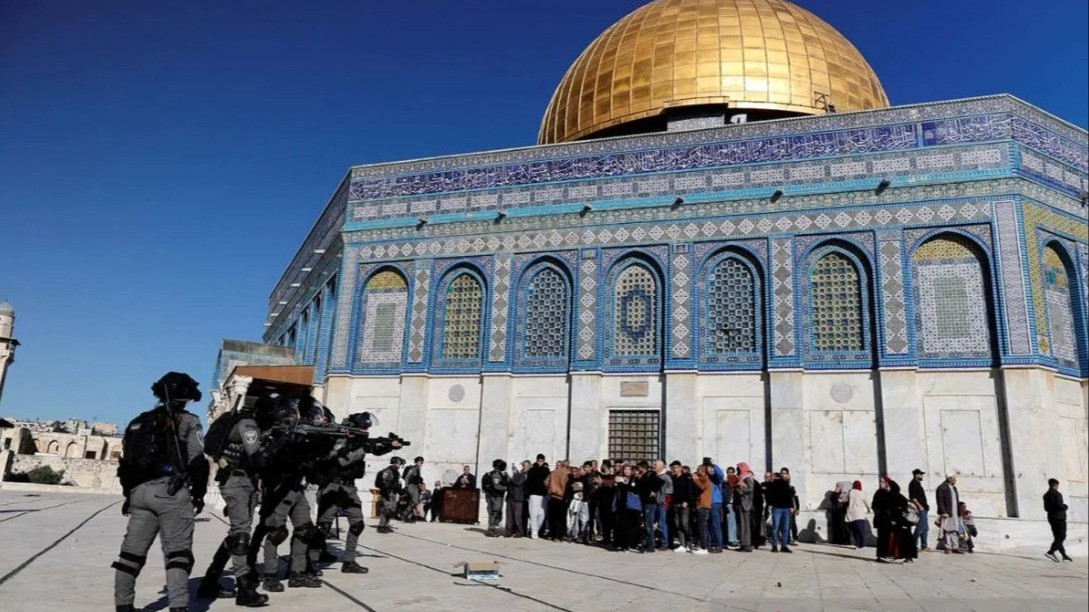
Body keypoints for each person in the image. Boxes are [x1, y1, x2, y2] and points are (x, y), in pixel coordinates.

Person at [112, 372, 209, 612]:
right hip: (170, 491)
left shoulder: (140, 421)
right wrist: (198, 493)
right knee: (177, 553)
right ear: (187, 397)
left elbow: (127, 463)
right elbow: (197, 460)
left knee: (130, 555)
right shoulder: (189, 421)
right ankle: (178, 606)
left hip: (139, 492)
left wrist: (128, 495)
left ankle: (124, 605)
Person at [197, 390, 271, 606]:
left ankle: (210, 579)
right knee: (241, 536)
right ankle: (245, 589)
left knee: (236, 533)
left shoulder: (247, 423)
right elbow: (256, 457)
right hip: (237, 482)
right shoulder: (248, 424)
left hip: (244, 482)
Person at [316, 411, 401, 574]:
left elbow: (374, 448)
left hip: (349, 488)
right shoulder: (339, 437)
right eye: (364, 426)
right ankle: (312, 562)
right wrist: (362, 449)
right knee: (324, 525)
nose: (366, 430)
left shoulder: (360, 441)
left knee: (357, 524)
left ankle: (349, 561)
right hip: (333, 486)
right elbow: (341, 460)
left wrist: (390, 446)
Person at [887, 480, 918, 563]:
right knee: (902, 539)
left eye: (888, 486)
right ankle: (904, 556)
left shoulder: (895, 496)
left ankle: (908, 557)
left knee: (905, 539)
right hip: (902, 522)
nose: (887, 488)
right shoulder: (898, 496)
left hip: (902, 522)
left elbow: (896, 510)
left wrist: (894, 519)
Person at [765, 467, 794, 553]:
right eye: (782, 473)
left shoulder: (787, 483)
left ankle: (784, 546)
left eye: (785, 473)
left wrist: (791, 506)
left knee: (785, 528)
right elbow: (769, 492)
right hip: (777, 507)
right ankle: (774, 546)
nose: (783, 474)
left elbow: (790, 496)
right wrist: (771, 480)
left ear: (788, 474)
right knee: (775, 527)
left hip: (786, 508)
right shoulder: (775, 482)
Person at [614, 464, 642, 552]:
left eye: (628, 469)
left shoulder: (635, 479)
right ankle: (623, 545)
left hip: (632, 506)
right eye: (625, 469)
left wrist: (625, 483)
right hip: (622, 505)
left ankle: (634, 543)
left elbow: (636, 490)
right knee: (623, 526)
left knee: (633, 526)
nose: (626, 471)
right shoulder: (619, 478)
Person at [1044, 478, 1072, 562]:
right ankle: (1050, 552)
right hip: (1059, 518)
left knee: (1057, 537)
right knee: (1061, 536)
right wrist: (1065, 506)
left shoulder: (1046, 495)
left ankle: (1064, 555)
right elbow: (1060, 506)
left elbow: (1046, 508)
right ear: (1055, 485)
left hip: (1051, 517)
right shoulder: (1057, 494)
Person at [375, 456, 405, 533]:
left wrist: (400, 492)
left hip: (393, 493)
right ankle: (381, 526)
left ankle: (386, 525)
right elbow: (382, 484)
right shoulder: (386, 471)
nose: (400, 465)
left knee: (391, 510)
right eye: (399, 463)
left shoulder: (396, 473)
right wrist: (386, 492)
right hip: (387, 493)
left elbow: (397, 484)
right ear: (394, 463)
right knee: (385, 510)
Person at [935, 474, 963, 554]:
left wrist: (959, 513)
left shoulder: (954, 488)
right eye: (954, 478)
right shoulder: (942, 487)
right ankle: (947, 547)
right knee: (947, 530)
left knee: (954, 529)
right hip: (947, 512)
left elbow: (956, 501)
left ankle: (955, 547)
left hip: (954, 512)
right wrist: (943, 512)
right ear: (949, 479)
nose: (955, 480)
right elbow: (939, 500)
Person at [670, 461, 693, 552]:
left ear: (680, 467)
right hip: (675, 503)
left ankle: (688, 543)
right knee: (677, 524)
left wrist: (687, 501)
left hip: (684, 504)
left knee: (684, 524)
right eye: (673, 468)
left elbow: (690, 490)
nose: (675, 469)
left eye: (676, 467)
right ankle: (682, 544)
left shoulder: (686, 477)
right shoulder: (673, 478)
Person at [526, 454, 550, 539]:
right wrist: (528, 494)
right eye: (538, 461)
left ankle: (536, 529)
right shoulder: (532, 470)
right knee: (533, 513)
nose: (540, 462)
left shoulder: (546, 470)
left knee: (542, 514)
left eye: (541, 461)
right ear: (536, 460)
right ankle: (534, 531)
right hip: (534, 494)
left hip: (544, 494)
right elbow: (528, 483)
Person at [483, 459, 509, 536]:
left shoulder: (490, 474)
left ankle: (492, 527)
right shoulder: (496, 475)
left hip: (493, 496)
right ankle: (491, 529)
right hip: (496, 497)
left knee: (494, 513)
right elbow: (496, 486)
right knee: (495, 513)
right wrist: (506, 488)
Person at [546, 460, 571, 541]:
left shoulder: (553, 472)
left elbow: (545, 482)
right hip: (561, 497)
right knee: (561, 518)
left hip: (553, 496)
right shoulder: (567, 473)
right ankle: (559, 535)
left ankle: (553, 535)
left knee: (553, 517)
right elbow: (565, 485)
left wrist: (549, 490)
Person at [691, 464, 712, 554]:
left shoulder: (706, 478)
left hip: (703, 505)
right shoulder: (702, 479)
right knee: (702, 527)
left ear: (702, 471)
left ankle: (704, 547)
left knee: (702, 527)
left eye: (698, 470)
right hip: (700, 504)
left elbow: (703, 487)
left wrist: (695, 480)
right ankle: (703, 545)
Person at [907, 469, 930, 552]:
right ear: (916, 475)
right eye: (920, 474)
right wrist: (920, 506)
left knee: (925, 528)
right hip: (920, 509)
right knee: (920, 527)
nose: (922, 476)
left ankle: (924, 545)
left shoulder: (918, 484)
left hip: (924, 508)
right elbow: (913, 497)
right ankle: (912, 545)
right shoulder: (913, 484)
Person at [871, 476, 893, 561]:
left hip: (889, 519)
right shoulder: (878, 492)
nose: (880, 483)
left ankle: (887, 553)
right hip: (881, 518)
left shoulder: (890, 492)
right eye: (880, 482)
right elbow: (873, 505)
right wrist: (877, 511)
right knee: (881, 537)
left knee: (888, 537)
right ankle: (881, 555)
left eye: (882, 482)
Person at [735, 462, 756, 552]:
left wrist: (740, 490)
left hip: (745, 504)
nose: (737, 470)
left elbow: (750, 489)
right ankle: (743, 543)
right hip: (741, 504)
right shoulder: (742, 478)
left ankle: (747, 545)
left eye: (738, 468)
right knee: (742, 525)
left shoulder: (747, 478)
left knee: (745, 525)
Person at [505, 461, 528, 537]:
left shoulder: (521, 476)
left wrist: (510, 478)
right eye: (512, 468)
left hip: (518, 499)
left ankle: (520, 532)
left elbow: (518, 483)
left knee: (517, 516)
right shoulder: (512, 476)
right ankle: (508, 531)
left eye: (514, 468)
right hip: (510, 498)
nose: (513, 469)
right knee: (509, 516)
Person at [845, 480, 871, 549]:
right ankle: (861, 544)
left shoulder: (850, 492)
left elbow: (845, 500)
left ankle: (857, 544)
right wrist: (869, 510)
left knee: (854, 531)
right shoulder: (862, 493)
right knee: (861, 531)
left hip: (851, 515)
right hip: (859, 515)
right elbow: (867, 503)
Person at [402, 456, 426, 521]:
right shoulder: (412, 469)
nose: (420, 463)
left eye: (421, 462)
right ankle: (405, 513)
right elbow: (407, 477)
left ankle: (408, 517)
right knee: (415, 502)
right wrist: (406, 486)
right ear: (416, 462)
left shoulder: (418, 469)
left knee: (412, 502)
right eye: (419, 462)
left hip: (416, 487)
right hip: (411, 486)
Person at [723, 466, 739, 548]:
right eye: (728, 472)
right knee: (731, 521)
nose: (730, 474)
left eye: (731, 472)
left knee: (734, 522)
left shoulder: (737, 480)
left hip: (735, 503)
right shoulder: (725, 482)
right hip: (729, 503)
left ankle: (734, 538)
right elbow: (725, 493)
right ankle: (731, 540)